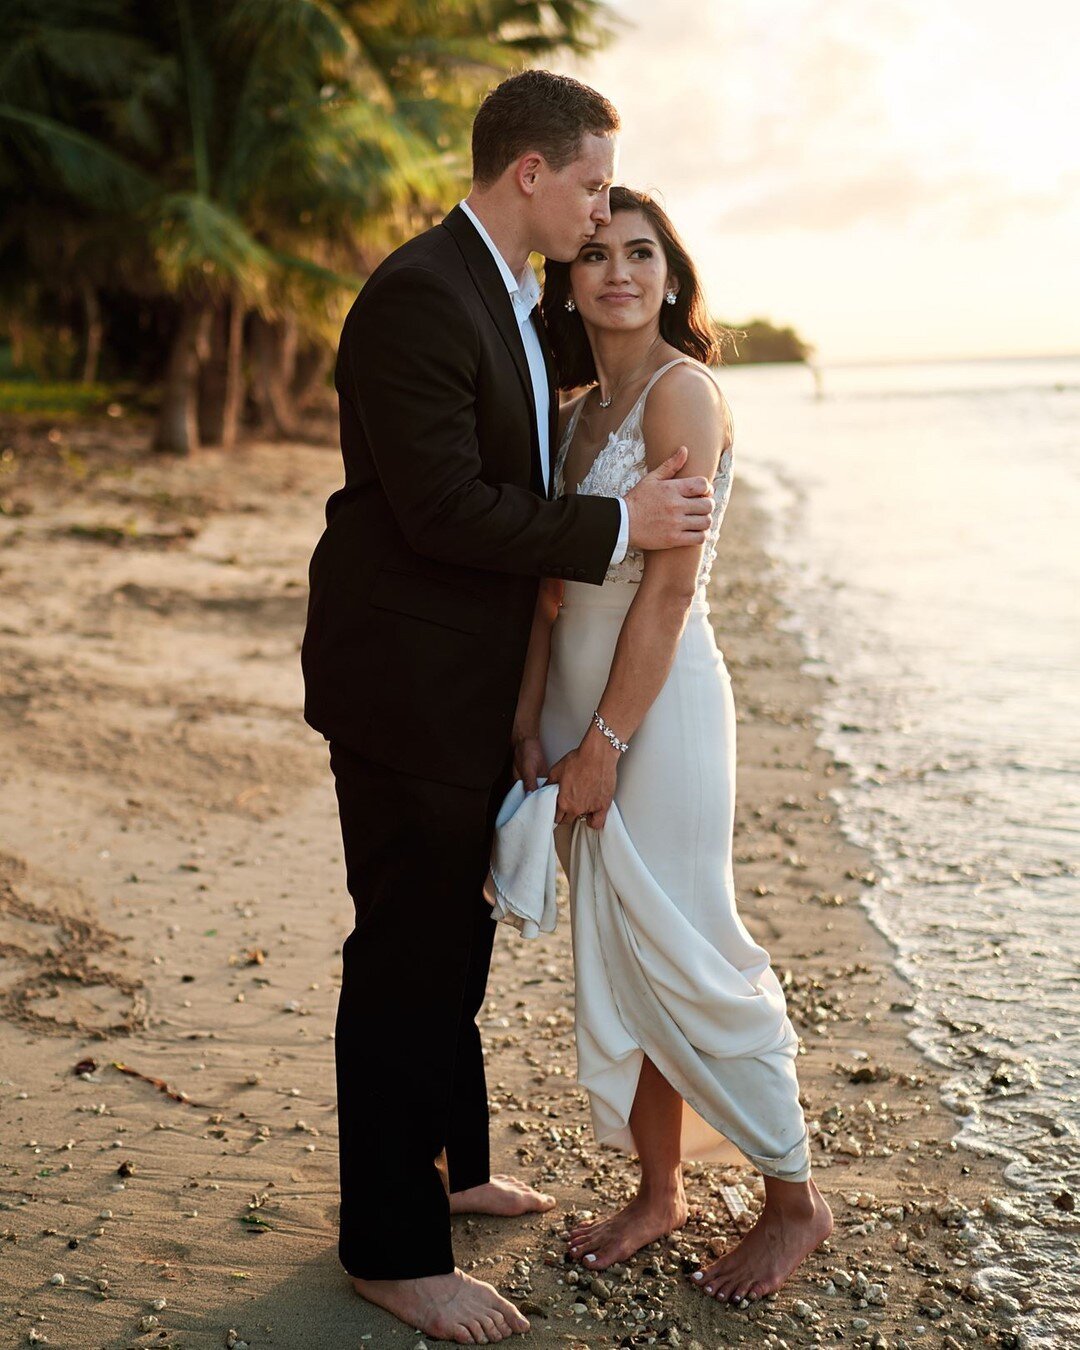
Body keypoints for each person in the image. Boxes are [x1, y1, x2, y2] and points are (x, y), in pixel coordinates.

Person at [300, 73, 717, 1344]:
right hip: (405, 687)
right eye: (592, 184)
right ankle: (389, 1244)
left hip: (471, 687)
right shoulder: (421, 295)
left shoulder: (505, 295)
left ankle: (454, 1167)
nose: (601, 216)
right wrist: (619, 524)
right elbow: (440, 510)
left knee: (455, 941)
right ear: (529, 172)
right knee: (405, 959)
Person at [507, 186, 834, 1305]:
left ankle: (795, 1204)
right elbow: (548, 592)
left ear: (671, 273)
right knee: (628, 965)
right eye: (596, 253)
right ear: (570, 275)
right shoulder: (575, 410)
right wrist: (530, 719)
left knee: (695, 952)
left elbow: (668, 592)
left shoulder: (682, 396)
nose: (619, 273)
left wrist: (604, 741)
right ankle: (660, 1193)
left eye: (641, 253)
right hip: (574, 708)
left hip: (663, 711)